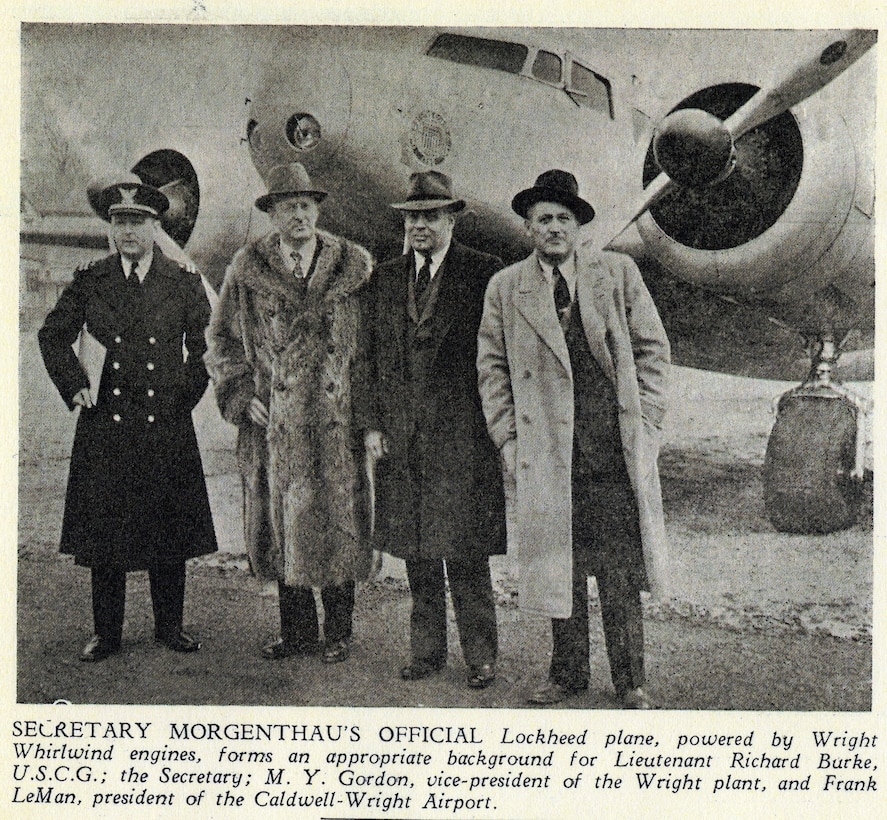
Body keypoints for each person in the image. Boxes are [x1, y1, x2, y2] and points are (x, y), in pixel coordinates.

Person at [477, 169, 670, 707]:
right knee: (557, 569)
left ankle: (631, 682)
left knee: (618, 572)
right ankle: (567, 676)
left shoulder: (619, 273)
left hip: (609, 452)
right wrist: (509, 441)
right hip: (546, 455)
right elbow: (491, 368)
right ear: (529, 228)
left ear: (580, 225)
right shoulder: (506, 287)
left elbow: (653, 350)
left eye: (564, 218)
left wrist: (647, 424)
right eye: (544, 219)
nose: (554, 228)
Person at [38, 174, 218, 662]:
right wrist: (73, 383)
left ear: (155, 226)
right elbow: (52, 335)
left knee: (169, 534)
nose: (129, 232)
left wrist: (183, 397)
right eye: (120, 222)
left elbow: (207, 348)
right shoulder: (91, 280)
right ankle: (107, 634)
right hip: (106, 425)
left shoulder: (181, 284)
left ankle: (171, 627)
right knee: (106, 538)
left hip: (166, 423)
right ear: (111, 229)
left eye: (138, 222)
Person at [206, 162, 373, 665]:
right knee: (280, 524)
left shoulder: (354, 266)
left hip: (335, 421)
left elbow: (371, 348)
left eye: (305, 205)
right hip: (272, 424)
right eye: (286, 207)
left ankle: (339, 631)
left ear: (318, 209)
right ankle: (297, 631)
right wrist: (238, 393)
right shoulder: (247, 268)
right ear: (273, 214)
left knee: (338, 520)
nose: (297, 215)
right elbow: (221, 340)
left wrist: (363, 411)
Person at [354, 171, 506, 689]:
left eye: (430, 216)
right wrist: (371, 424)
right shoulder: (387, 278)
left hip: (462, 439)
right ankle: (426, 653)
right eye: (412, 217)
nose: (419, 225)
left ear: (452, 219)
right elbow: (368, 358)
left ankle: (481, 656)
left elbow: (498, 358)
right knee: (418, 555)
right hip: (403, 438)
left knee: (465, 553)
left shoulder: (484, 274)